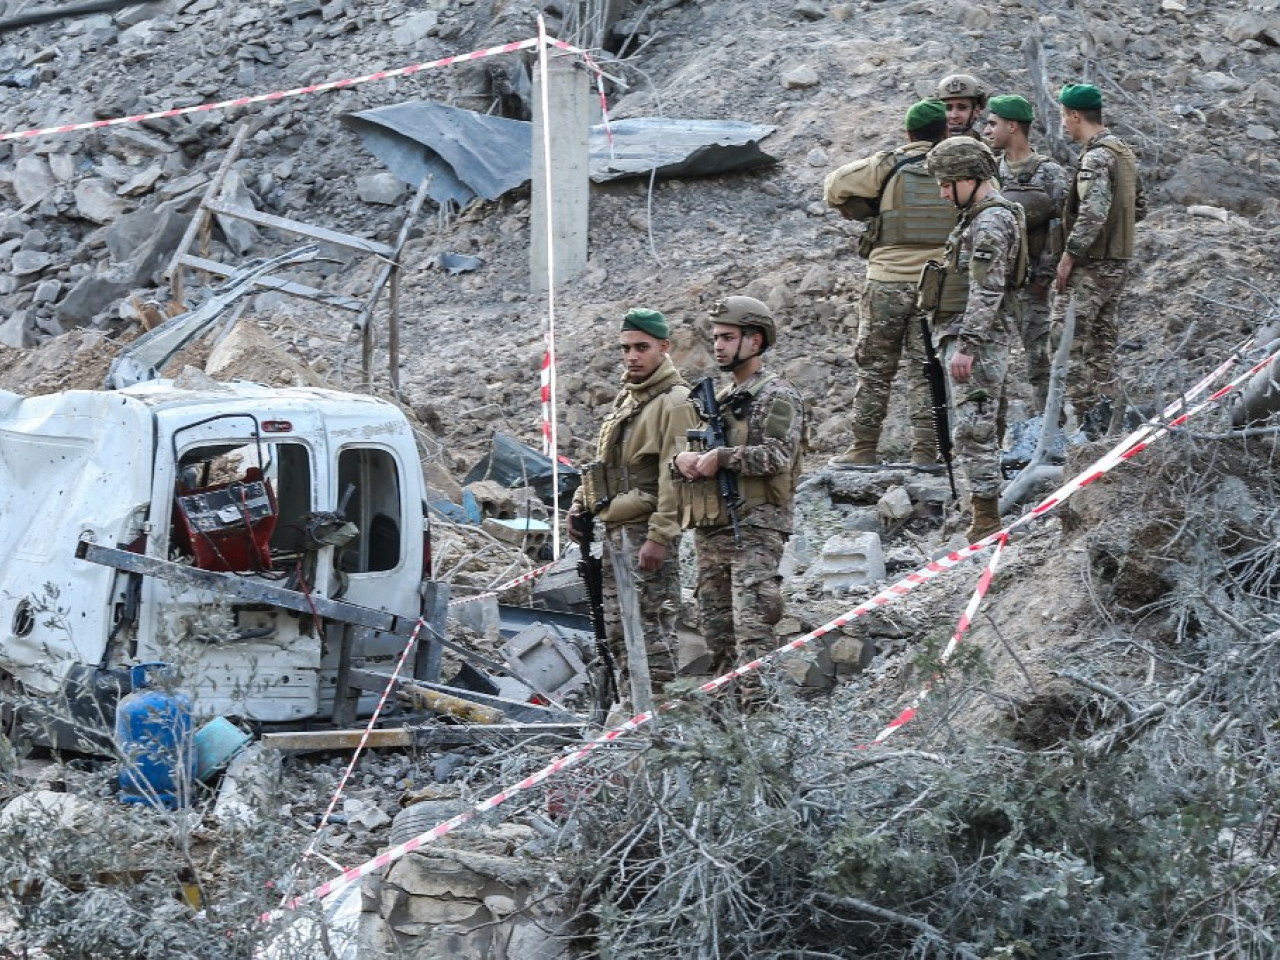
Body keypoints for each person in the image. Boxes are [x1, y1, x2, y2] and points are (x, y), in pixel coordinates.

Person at [672, 296, 805, 702]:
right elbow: (689, 452)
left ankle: (762, 726)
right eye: (716, 338)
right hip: (713, 530)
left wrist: (723, 457)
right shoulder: (721, 400)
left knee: (753, 634)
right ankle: (729, 734)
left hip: (755, 526)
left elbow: (779, 455)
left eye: (728, 337)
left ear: (756, 340)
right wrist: (683, 460)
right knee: (717, 635)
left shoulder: (777, 395)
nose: (719, 346)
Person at [567, 307, 699, 694]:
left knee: (653, 637)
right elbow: (606, 463)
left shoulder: (675, 402)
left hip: (644, 531)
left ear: (664, 347)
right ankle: (630, 713)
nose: (632, 356)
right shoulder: (630, 397)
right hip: (615, 528)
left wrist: (659, 538)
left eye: (642, 347)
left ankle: (658, 723)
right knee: (619, 633)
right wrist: (581, 503)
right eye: (625, 348)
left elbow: (675, 477)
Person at [823, 99, 956, 467]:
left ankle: (863, 448)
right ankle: (926, 452)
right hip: (937, 284)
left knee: (875, 367)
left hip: (886, 282)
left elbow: (833, 187)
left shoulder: (889, 164)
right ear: (945, 131)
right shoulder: (957, 163)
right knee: (925, 368)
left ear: (908, 133)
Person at [922, 137, 1027, 542]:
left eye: (948, 184)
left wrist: (966, 345)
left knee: (973, 430)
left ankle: (985, 522)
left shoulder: (988, 222)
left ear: (970, 178)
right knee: (980, 426)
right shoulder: (984, 215)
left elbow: (987, 289)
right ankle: (983, 512)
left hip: (976, 341)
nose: (943, 193)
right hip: (975, 334)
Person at [1051, 83, 1147, 438]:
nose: (1063, 124)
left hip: (1091, 267)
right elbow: (1139, 207)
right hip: (1117, 264)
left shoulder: (1096, 158)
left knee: (1066, 345)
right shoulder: (1123, 153)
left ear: (1075, 116)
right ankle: (1110, 429)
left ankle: (1090, 425)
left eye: (1064, 116)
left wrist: (1069, 256)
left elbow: (1093, 212)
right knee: (1102, 350)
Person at [982, 94, 1068, 414]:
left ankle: (1052, 427)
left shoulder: (1049, 173)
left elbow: (1064, 229)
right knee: (991, 365)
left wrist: (1043, 277)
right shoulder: (990, 172)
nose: (987, 130)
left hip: (1033, 284)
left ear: (1013, 126)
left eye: (993, 124)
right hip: (994, 285)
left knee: (1039, 359)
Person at [937, 73, 989, 139]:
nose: (954, 116)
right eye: (948, 108)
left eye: (962, 108)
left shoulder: (990, 148)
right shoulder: (927, 148)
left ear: (976, 111)